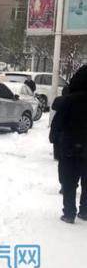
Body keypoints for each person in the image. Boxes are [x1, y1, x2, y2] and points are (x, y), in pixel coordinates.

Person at [50, 65, 87, 224]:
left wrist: (55, 140)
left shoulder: (69, 100)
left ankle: (69, 213)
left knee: (69, 180)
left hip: (70, 145)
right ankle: (85, 210)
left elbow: (57, 124)